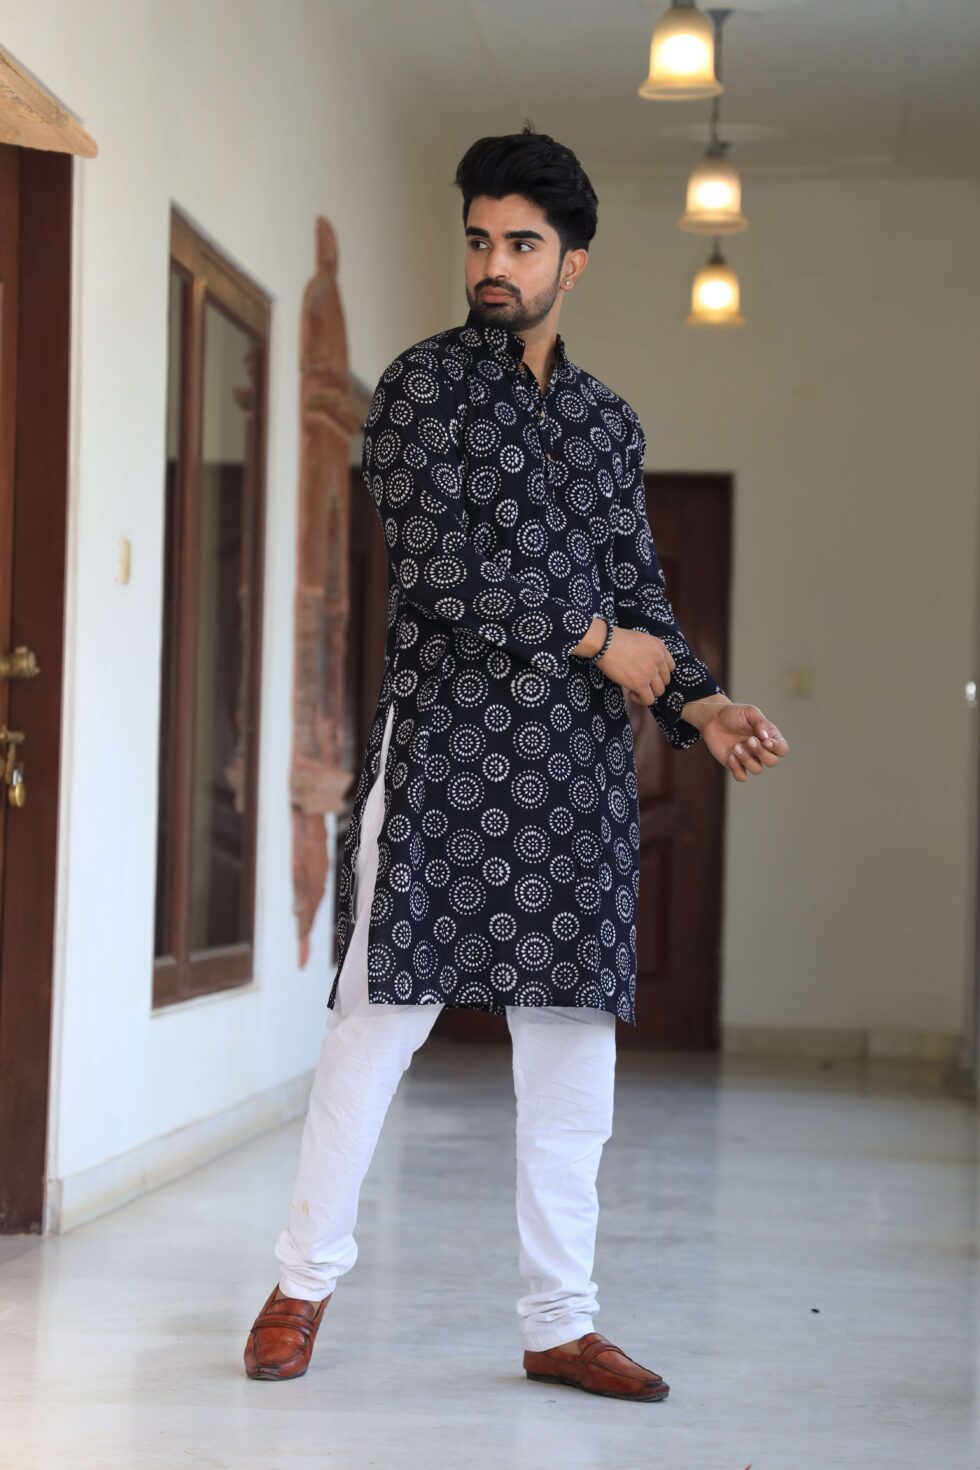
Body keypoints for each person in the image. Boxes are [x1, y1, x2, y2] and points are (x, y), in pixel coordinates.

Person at [244, 124, 789, 1400]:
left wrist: (702, 702)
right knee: (375, 1025)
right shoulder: (418, 391)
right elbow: (438, 566)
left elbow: (638, 591)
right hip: (441, 758)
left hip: (575, 778)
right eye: (479, 241)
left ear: (571, 263)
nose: (493, 264)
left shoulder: (606, 424)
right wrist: (600, 642)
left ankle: (559, 1323)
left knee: (569, 1059)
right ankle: (297, 1289)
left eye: (522, 245)